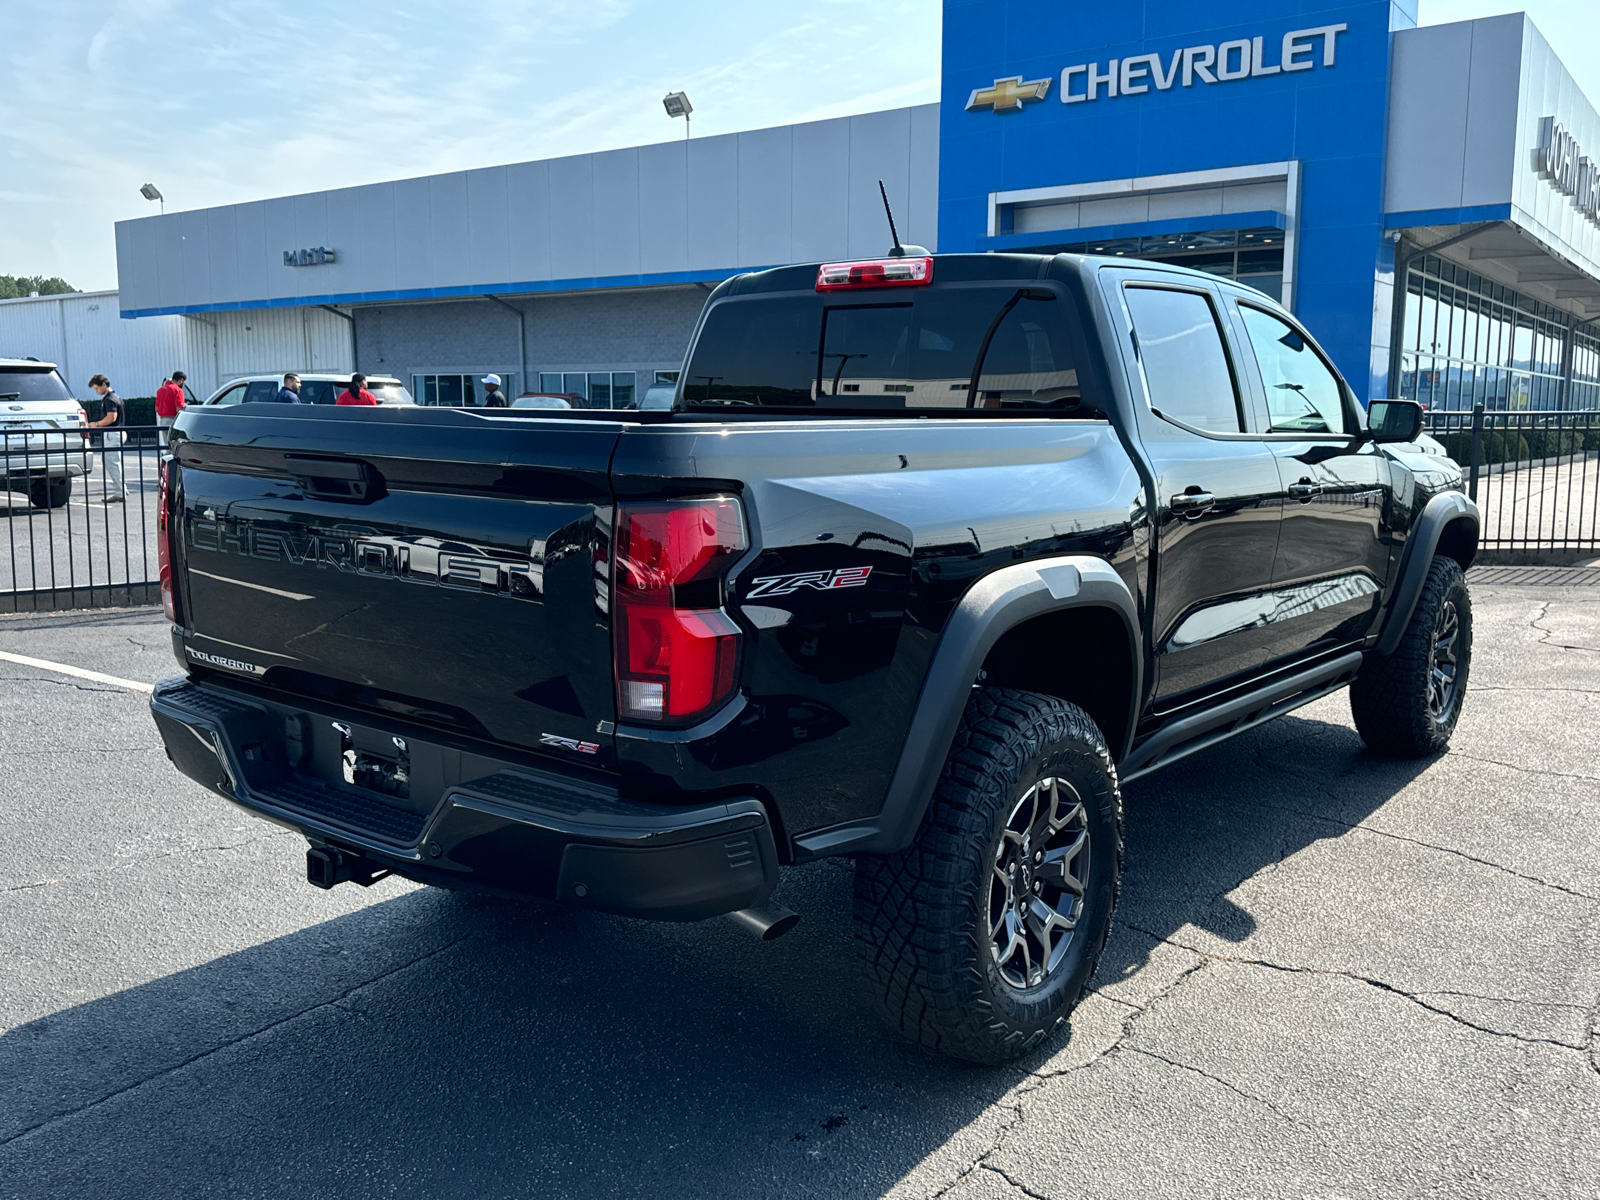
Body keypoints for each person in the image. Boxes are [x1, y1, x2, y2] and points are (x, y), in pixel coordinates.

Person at [86, 374, 127, 503]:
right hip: (118, 432)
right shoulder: (116, 397)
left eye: (97, 388)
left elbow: (111, 418)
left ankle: (119, 492)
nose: (96, 391)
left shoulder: (109, 399)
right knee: (114, 462)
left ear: (104, 385)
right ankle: (121, 489)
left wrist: (96, 424)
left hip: (112, 433)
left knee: (112, 463)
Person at [155, 371, 186, 444]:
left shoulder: (160, 390)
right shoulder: (178, 390)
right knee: (175, 445)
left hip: (162, 421)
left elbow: (156, 408)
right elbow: (179, 409)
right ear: (181, 380)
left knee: (167, 445)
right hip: (173, 420)